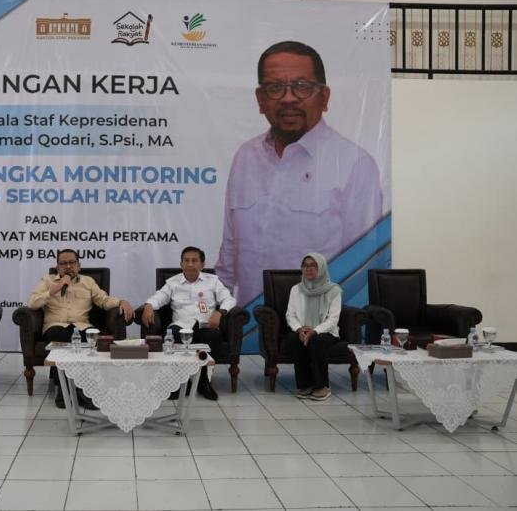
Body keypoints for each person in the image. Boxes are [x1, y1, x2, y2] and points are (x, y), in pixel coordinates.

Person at [216, 40, 383, 306]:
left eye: (302, 86)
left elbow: (361, 268)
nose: (289, 98)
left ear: (324, 97)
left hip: (314, 322)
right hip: (249, 323)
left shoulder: (355, 164)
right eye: (275, 88)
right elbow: (228, 258)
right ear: (260, 99)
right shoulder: (246, 157)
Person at [27, 248, 134, 408]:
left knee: (93, 338)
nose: (68, 266)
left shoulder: (88, 282)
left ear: (79, 266)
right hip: (55, 326)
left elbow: (103, 300)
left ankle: (84, 390)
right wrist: (52, 291)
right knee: (62, 336)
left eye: (72, 262)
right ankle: (65, 391)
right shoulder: (47, 281)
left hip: (82, 326)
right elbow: (32, 303)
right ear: (57, 267)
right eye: (63, 263)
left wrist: (121, 302)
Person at [141, 246, 236, 401]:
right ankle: (178, 383)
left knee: (213, 336)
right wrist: (149, 305)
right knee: (171, 337)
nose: (190, 264)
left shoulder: (213, 281)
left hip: (205, 325)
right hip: (181, 326)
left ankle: (203, 382)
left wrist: (220, 312)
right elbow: (159, 297)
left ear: (202, 265)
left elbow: (229, 299)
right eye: (186, 260)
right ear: (181, 264)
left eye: (194, 260)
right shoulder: (172, 283)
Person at [284, 252, 342, 401]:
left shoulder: (334, 290)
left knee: (317, 340)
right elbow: (290, 315)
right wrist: (299, 329)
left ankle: (322, 386)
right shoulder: (296, 289)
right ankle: (305, 385)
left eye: (313, 266)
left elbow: (333, 319)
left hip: (326, 332)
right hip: (302, 329)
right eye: (305, 266)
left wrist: (315, 331)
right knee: (293, 338)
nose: (308, 269)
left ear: (321, 268)